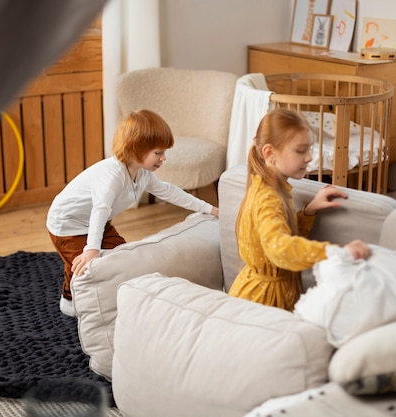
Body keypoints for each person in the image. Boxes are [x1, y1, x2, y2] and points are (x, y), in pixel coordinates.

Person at [47, 109, 219, 316]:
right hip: (67, 225)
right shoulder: (111, 175)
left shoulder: (143, 174)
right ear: (136, 149)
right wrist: (92, 248)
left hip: (98, 222)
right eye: (158, 153)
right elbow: (99, 210)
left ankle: (97, 291)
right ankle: (71, 300)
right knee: (87, 268)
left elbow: (170, 192)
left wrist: (209, 209)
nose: (164, 158)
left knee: (123, 258)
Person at [228, 108, 370, 311]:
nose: (309, 157)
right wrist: (337, 253)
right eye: (300, 150)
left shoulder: (271, 187)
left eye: (310, 149)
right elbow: (281, 249)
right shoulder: (268, 197)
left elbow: (275, 234)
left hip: (266, 296)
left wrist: (308, 211)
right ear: (270, 153)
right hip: (262, 303)